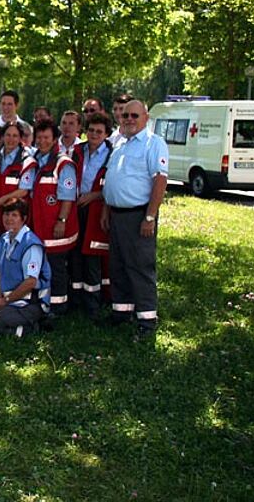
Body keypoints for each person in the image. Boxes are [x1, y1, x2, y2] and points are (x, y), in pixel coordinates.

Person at [101, 99, 168, 339]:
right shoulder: (120, 145)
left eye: (134, 116)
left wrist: (150, 216)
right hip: (117, 215)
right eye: (125, 115)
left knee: (140, 268)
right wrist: (106, 211)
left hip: (138, 215)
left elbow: (160, 181)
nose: (129, 119)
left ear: (146, 118)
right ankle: (121, 313)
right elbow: (111, 180)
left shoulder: (153, 143)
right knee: (118, 266)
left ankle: (147, 321)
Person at [21, 118, 78, 315]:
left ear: (55, 140)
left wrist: (61, 221)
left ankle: (58, 306)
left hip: (55, 227)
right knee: (41, 267)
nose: (42, 141)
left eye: (46, 137)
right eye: (39, 137)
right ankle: (43, 303)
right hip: (39, 225)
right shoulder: (34, 160)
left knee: (56, 268)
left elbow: (68, 197)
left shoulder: (63, 164)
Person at [0, 200, 51, 337]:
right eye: (6, 214)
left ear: (23, 219)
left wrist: (5, 301)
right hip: (9, 297)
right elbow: (1, 271)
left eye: (14, 215)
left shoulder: (31, 244)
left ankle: (34, 327)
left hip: (31, 302)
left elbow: (30, 282)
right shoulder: (5, 239)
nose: (9, 219)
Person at [70, 112, 112, 318]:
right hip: (76, 208)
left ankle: (93, 305)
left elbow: (114, 185)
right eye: (91, 130)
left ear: (106, 134)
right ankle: (76, 300)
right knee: (76, 254)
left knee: (93, 256)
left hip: (97, 210)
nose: (94, 134)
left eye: (99, 132)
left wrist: (94, 195)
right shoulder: (78, 151)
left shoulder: (112, 154)